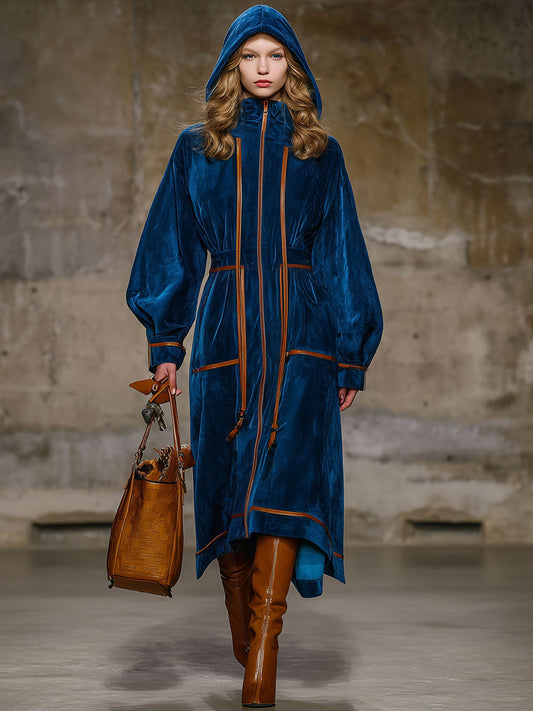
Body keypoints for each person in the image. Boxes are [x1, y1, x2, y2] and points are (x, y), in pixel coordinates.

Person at [126, 5, 383, 707]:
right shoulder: (197, 148)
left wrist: (350, 351)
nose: (263, 68)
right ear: (231, 65)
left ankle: (264, 646)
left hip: (303, 341)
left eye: (275, 55)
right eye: (250, 55)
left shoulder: (319, 152)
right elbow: (170, 247)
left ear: (292, 66)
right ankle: (245, 629)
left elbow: (341, 254)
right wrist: (166, 342)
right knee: (228, 488)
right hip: (223, 339)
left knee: (284, 488)